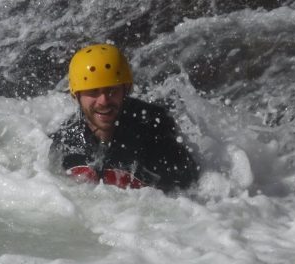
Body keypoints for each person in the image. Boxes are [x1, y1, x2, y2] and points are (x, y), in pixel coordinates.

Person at [49, 44, 199, 192]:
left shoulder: (154, 136)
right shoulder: (65, 140)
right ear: (76, 95)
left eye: (112, 90)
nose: (103, 101)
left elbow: (191, 192)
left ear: (125, 90)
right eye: (93, 92)